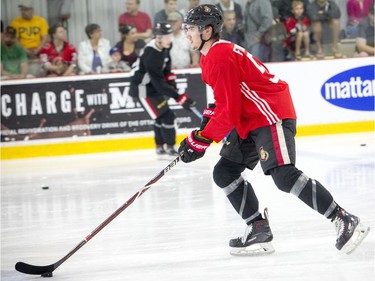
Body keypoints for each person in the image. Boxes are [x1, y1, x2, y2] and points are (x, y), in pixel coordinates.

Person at [179, 4, 370, 256]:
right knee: (225, 172)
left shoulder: (219, 55)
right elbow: (222, 101)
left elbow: (229, 109)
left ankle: (343, 218)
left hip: (269, 113)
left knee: (283, 175)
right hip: (250, 118)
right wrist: (201, 132)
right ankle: (257, 227)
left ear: (208, 30)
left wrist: (201, 140)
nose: (187, 34)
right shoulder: (211, 56)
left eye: (191, 28)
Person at [129, 22, 196, 158]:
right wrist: (178, 97)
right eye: (166, 36)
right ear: (157, 38)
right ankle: (169, 146)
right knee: (166, 116)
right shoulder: (151, 54)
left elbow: (166, 68)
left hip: (152, 86)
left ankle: (160, 147)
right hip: (142, 89)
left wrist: (174, 86)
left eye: (170, 35)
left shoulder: (166, 45)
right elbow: (159, 84)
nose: (169, 39)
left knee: (161, 117)